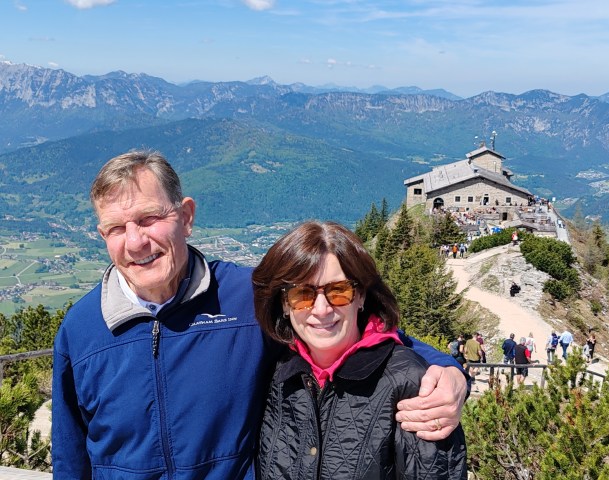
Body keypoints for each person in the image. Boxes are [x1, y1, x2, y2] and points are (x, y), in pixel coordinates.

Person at [51, 150, 468, 480]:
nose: (136, 241)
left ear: (187, 217)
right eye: (116, 228)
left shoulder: (244, 298)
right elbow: (70, 457)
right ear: (102, 235)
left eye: (149, 218)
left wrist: (448, 370)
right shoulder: (83, 328)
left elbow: (358, 336)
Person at [252, 221, 467, 479]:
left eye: (338, 291)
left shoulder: (412, 386)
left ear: (362, 296)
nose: (321, 310)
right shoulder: (277, 377)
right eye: (302, 294)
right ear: (285, 304)